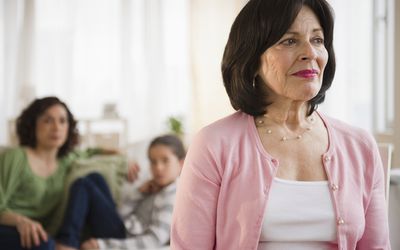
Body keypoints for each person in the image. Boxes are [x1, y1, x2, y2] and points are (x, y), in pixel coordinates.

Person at [170, 0, 391, 249]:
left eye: (317, 40)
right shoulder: (213, 144)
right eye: (289, 41)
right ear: (252, 59)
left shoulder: (360, 146)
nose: (310, 52)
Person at [0, 96, 130, 250]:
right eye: (48, 121)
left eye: (62, 121)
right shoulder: (16, 157)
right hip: (10, 226)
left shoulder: (67, 160)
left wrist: (122, 156)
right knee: (44, 244)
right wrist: (20, 221)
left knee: (92, 179)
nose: (56, 127)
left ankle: (113, 242)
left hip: (42, 234)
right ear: (33, 124)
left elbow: (90, 152)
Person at [56, 134, 185, 250]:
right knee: (95, 178)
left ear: (181, 163)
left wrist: (102, 245)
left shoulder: (172, 197)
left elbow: (153, 242)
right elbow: (121, 213)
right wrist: (139, 193)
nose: (158, 168)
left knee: (83, 184)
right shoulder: (153, 187)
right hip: (121, 227)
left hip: (125, 239)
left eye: (165, 161)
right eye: (153, 162)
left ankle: (67, 242)